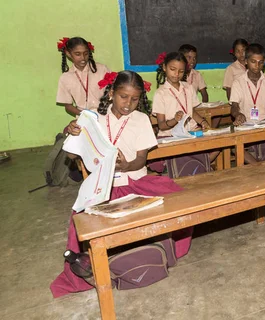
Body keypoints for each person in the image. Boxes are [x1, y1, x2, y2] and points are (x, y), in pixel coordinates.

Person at [50, 71, 192, 298]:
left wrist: (125, 166)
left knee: (179, 199)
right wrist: (72, 130)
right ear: (111, 93)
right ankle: (88, 265)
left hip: (135, 180)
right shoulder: (93, 117)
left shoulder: (141, 119)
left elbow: (140, 160)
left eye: (135, 99)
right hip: (103, 186)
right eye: (123, 97)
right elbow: (69, 152)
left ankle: (166, 250)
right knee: (79, 221)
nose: (128, 104)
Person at [152, 52, 214, 176]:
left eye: (181, 71)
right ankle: (187, 175)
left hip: (190, 133)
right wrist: (175, 120)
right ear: (164, 68)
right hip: (170, 135)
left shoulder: (188, 87)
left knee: (217, 142)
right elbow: (162, 126)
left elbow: (191, 112)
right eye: (172, 69)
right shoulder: (161, 93)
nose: (176, 74)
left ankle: (201, 172)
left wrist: (202, 122)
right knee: (185, 154)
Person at [56, 37, 111, 116]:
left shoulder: (102, 69)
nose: (83, 58)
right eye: (77, 54)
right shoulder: (65, 77)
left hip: (106, 114)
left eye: (85, 53)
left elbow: (114, 93)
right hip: (84, 118)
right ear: (68, 54)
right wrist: (85, 115)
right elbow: (68, 106)